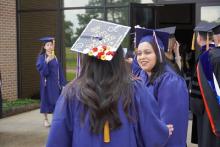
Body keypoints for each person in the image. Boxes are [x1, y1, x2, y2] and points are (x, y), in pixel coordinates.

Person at [46, 19, 173, 147]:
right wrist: (164, 131)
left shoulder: (71, 92)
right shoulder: (134, 89)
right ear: (118, 57)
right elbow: (151, 134)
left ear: (87, 59)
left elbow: (57, 139)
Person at [135, 27, 189, 147]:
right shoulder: (140, 75)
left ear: (159, 53)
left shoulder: (170, 81)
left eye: (148, 52)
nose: (142, 57)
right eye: (139, 53)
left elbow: (169, 127)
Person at [189, 22, 217, 146]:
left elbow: (197, 95)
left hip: (207, 111)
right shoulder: (216, 54)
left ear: (199, 38)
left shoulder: (204, 57)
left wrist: (194, 106)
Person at [36, 36, 66, 127]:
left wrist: (63, 83)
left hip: (56, 84)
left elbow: (59, 70)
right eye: (48, 45)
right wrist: (46, 62)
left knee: (56, 101)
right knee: (46, 100)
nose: (50, 46)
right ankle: (45, 119)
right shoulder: (41, 57)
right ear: (44, 47)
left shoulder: (55, 57)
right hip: (46, 83)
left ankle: (54, 119)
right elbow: (43, 72)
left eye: (51, 45)